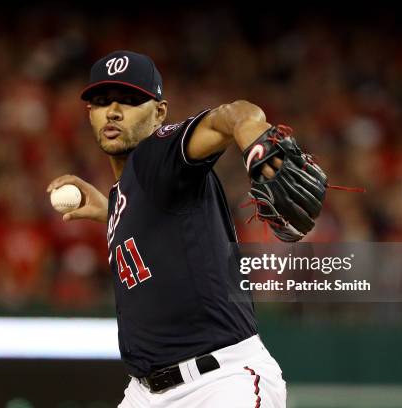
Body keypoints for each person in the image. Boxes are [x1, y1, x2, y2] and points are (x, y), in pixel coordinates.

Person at [48, 50, 291, 407]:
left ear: (159, 112)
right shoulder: (128, 192)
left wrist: (251, 129)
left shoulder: (159, 152)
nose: (113, 110)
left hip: (219, 384)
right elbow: (157, 227)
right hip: (143, 394)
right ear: (90, 114)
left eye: (130, 100)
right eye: (101, 101)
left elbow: (231, 115)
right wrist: (111, 209)